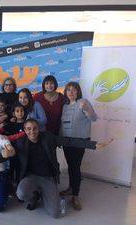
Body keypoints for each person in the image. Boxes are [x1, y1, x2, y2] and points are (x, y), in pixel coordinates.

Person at [0, 118, 112, 218]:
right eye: (28, 129)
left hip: (48, 177)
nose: (32, 131)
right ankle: (34, 196)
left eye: (34, 128)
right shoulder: (21, 143)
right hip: (31, 177)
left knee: (55, 214)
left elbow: (69, 141)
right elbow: (6, 154)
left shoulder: (48, 138)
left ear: (38, 129)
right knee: (21, 194)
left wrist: (93, 145)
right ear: (25, 130)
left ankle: (48, 195)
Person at [59, 81, 98, 210]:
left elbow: (93, 118)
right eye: (68, 90)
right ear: (65, 92)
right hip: (67, 142)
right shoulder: (64, 106)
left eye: (74, 90)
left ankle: (75, 195)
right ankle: (71, 188)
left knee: (75, 167)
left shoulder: (83, 102)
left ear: (78, 92)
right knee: (71, 166)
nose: (71, 92)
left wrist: (87, 109)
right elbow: (63, 124)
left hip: (79, 142)